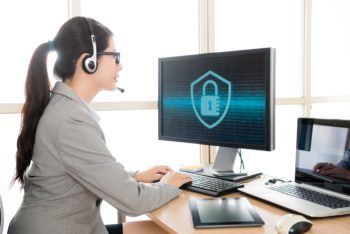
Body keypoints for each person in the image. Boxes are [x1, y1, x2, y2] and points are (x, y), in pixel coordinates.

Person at [8, 16, 192, 234]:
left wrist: (135, 175)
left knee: (158, 230)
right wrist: (168, 184)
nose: (120, 65)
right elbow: (134, 202)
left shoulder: (65, 109)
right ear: (89, 61)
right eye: (115, 57)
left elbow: (86, 168)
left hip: (66, 226)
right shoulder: (70, 121)